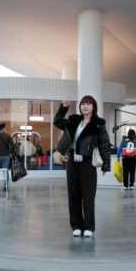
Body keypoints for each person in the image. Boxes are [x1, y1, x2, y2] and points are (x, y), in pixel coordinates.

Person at [53, 96, 111, 238]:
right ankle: (76, 225)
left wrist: (106, 163)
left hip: (88, 162)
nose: (84, 106)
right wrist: (64, 107)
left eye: (88, 104)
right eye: (83, 104)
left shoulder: (98, 124)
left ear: (93, 107)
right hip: (72, 160)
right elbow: (57, 122)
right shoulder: (74, 120)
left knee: (88, 195)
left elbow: (104, 144)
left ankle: (89, 226)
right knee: (73, 194)